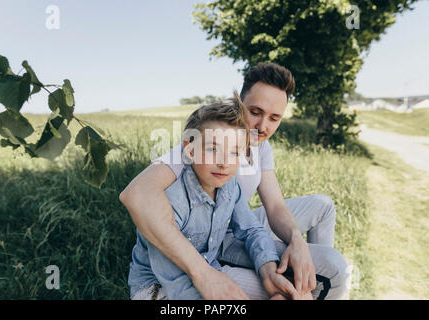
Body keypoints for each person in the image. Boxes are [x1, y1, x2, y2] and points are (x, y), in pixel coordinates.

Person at [120, 62, 349, 300]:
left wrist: (292, 243)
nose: (262, 127)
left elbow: (267, 213)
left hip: (222, 229)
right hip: (186, 268)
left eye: (274, 118)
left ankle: (311, 274)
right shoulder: (197, 148)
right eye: (256, 112)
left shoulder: (239, 171)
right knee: (302, 289)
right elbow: (137, 195)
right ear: (240, 105)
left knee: (322, 215)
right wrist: (206, 275)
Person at [129, 95, 311, 300]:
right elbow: (177, 284)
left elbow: (251, 229)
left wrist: (267, 268)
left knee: (297, 294)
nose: (225, 163)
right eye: (213, 149)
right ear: (190, 150)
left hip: (208, 269)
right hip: (159, 288)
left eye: (234, 152)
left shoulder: (228, 185)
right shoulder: (172, 199)